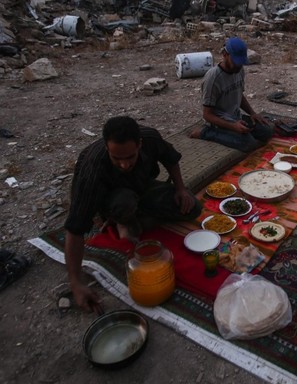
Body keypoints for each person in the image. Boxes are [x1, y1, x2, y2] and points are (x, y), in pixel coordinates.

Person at [63, 116, 202, 313]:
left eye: (130, 157)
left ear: (140, 144)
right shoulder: (93, 169)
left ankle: (129, 218)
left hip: (141, 187)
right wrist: (76, 283)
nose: (124, 165)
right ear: (106, 148)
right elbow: (74, 229)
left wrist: (180, 189)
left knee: (191, 208)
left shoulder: (151, 138)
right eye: (116, 158)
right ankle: (118, 218)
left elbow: (171, 159)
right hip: (112, 198)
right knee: (124, 202)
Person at [189, 36, 274, 152]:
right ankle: (205, 133)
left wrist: (253, 113)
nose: (239, 65)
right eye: (236, 62)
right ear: (225, 55)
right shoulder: (213, 78)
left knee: (267, 131)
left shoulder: (238, 70)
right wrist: (233, 126)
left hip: (235, 117)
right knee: (248, 144)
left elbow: (239, 94)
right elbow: (207, 115)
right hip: (218, 123)